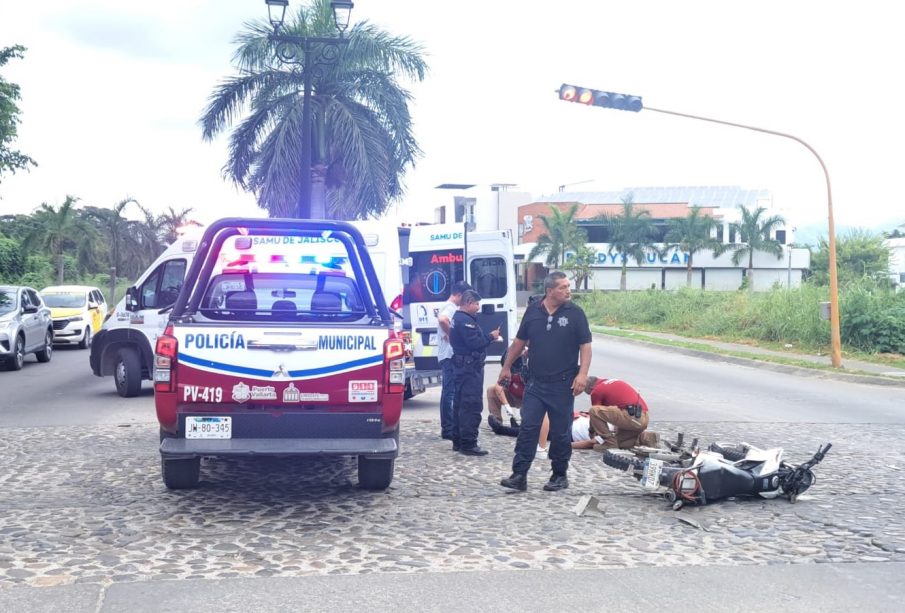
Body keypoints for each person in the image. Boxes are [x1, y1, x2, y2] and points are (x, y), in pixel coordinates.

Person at [499, 271, 592, 492]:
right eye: (563, 287)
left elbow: (585, 347)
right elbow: (519, 343)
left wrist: (582, 375)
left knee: (560, 431)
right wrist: (506, 367)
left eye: (568, 286)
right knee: (528, 428)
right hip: (536, 384)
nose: (568, 290)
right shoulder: (533, 312)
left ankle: (559, 475)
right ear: (550, 291)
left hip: (562, 383)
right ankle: (519, 475)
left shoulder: (575, 313)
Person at [450, 289, 502, 455]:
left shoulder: (458, 318)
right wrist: (491, 337)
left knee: (460, 404)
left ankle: (458, 440)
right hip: (469, 368)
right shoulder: (465, 321)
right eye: (477, 304)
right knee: (471, 405)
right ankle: (468, 443)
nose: (478, 307)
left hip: (462, 366)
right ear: (468, 303)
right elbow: (475, 342)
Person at [437, 280, 472, 441]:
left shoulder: (450, 306)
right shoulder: (450, 307)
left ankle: (449, 427)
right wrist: (453, 337)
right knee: (449, 393)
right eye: (464, 298)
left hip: (447, 354)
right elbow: (443, 320)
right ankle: (448, 428)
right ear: (458, 295)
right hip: (449, 355)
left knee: (449, 392)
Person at [584, 375, 658, 449]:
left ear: (590, 387)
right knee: (620, 444)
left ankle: (609, 442)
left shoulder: (596, 390)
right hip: (642, 417)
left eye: (586, 391)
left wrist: (591, 432)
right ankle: (645, 438)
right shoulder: (612, 382)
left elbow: (595, 415)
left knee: (593, 410)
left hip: (632, 417)